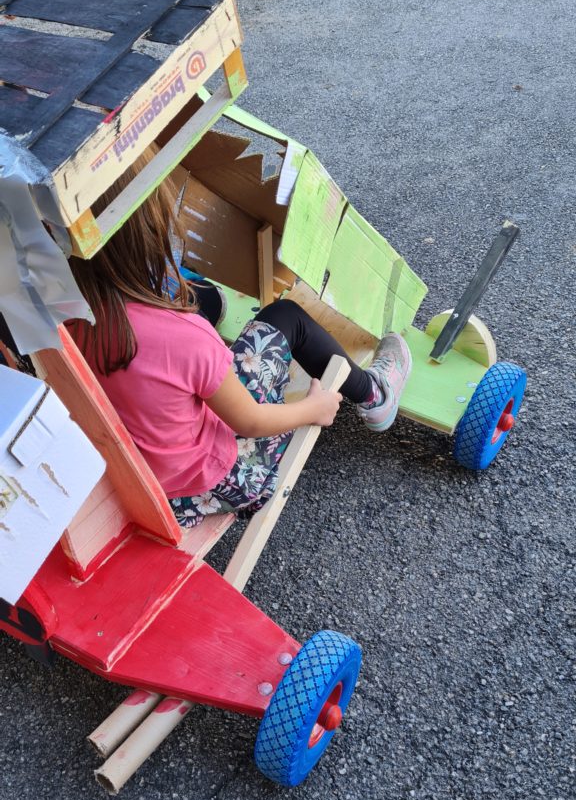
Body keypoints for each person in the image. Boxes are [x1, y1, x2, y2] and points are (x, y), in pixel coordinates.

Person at [69, 160, 412, 529]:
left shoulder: (59, 323)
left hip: (140, 482)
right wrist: (316, 407)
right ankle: (374, 395)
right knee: (285, 315)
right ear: (151, 233)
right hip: (221, 479)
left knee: (205, 301)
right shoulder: (183, 336)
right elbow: (250, 420)